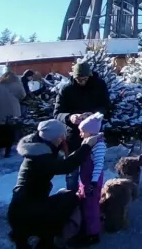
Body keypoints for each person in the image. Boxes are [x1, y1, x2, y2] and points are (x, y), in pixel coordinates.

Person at [7, 120, 101, 249]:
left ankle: (26, 234)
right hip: (27, 213)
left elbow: (63, 160)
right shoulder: (41, 157)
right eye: (62, 136)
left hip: (19, 210)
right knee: (71, 198)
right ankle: (45, 240)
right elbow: (66, 166)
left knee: (61, 198)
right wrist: (87, 146)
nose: (63, 139)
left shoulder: (37, 147)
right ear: (55, 138)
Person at [55, 60, 112, 191]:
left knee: (93, 169)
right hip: (73, 136)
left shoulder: (99, 85)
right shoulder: (66, 88)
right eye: (78, 79)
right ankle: (71, 199)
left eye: (84, 79)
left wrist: (93, 115)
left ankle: (90, 199)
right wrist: (70, 117)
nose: (81, 82)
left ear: (90, 76)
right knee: (72, 172)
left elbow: (107, 107)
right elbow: (57, 113)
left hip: (93, 135)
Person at [75, 113, 107, 246]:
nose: (80, 134)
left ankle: (93, 233)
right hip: (85, 180)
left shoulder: (98, 145)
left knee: (91, 206)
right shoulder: (88, 142)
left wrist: (94, 182)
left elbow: (98, 165)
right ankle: (86, 228)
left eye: (82, 131)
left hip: (91, 181)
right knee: (85, 204)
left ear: (91, 132)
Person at [0, 70, 27, 159]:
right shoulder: (18, 85)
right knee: (10, 133)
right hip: (13, 112)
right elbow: (23, 96)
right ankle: (7, 152)